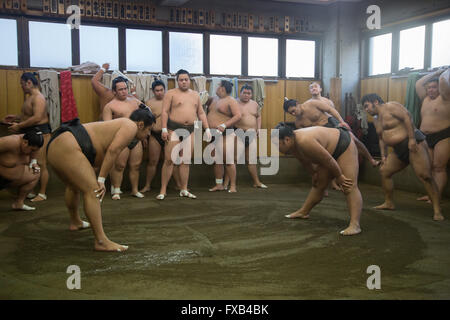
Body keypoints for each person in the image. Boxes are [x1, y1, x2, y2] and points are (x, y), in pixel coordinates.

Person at [46, 109, 155, 252]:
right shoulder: (130, 126)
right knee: (93, 190)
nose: (148, 134)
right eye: (149, 130)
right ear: (141, 124)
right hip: (69, 144)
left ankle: (75, 222)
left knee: (73, 185)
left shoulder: (121, 125)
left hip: (59, 143)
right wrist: (101, 180)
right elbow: (113, 151)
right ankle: (101, 241)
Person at [362, 93, 444, 221]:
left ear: (375, 102)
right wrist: (383, 155)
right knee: (385, 171)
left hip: (413, 144)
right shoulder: (376, 119)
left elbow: (407, 118)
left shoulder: (392, 106)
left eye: (367, 106)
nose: (366, 110)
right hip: (399, 149)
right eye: (365, 108)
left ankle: (437, 210)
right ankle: (389, 203)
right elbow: (381, 138)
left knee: (425, 176)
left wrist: (411, 139)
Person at [275, 123, 362, 236]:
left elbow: (329, 160)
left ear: (286, 140)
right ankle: (304, 212)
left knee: (348, 185)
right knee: (319, 183)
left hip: (343, 144)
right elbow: (304, 161)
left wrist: (339, 176)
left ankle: (355, 225)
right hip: (328, 151)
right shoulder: (292, 146)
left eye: (277, 144)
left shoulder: (304, 141)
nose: (277, 148)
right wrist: (313, 174)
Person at [157, 69, 211, 200]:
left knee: (185, 161)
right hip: (173, 128)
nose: (184, 82)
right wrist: (164, 129)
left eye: (186, 79)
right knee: (169, 160)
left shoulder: (195, 95)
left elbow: (201, 113)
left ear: (189, 80)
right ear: (177, 81)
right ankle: (163, 190)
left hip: (191, 129)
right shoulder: (171, 93)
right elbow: (164, 112)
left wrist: (207, 129)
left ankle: (184, 189)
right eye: (181, 80)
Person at [2, 72, 51, 203]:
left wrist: (19, 126)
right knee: (29, 162)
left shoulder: (38, 98)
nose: (21, 87)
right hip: (29, 132)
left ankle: (43, 192)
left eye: (22, 84)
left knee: (41, 163)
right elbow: (28, 114)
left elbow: (37, 117)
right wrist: (16, 117)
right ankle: (30, 190)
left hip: (41, 133)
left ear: (29, 82)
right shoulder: (30, 97)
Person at [102, 77, 143, 200]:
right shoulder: (109, 106)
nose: (124, 91)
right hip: (121, 138)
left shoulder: (134, 102)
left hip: (136, 137)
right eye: (120, 89)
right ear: (114, 91)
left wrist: (144, 136)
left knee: (136, 165)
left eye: (125, 88)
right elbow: (107, 126)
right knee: (119, 165)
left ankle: (135, 190)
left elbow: (145, 115)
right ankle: (116, 189)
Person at [415, 67, 450, 202]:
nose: (430, 90)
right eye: (429, 88)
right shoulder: (424, 99)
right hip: (425, 137)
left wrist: (445, 71)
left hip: (443, 135)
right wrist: (435, 72)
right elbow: (418, 84)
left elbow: (443, 81)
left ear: (439, 89)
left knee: (439, 167)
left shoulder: (445, 97)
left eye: (434, 87)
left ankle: (437, 196)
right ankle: (431, 194)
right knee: (428, 168)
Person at [207, 80, 242, 193]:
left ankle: (233, 186)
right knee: (217, 161)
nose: (216, 88)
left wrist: (224, 124)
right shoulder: (214, 99)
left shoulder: (231, 100)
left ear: (222, 88)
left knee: (229, 160)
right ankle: (219, 185)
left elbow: (238, 116)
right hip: (213, 133)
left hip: (226, 133)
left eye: (218, 85)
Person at [0, 131, 43, 211]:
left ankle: (19, 203)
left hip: (10, 180)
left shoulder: (33, 145)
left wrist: (33, 162)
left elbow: (35, 151)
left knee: (36, 174)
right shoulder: (10, 142)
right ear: (25, 142)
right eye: (32, 150)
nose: (32, 152)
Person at [234, 84, 267, 189]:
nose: (246, 95)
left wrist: (259, 129)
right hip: (237, 133)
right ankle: (230, 184)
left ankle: (256, 182)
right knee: (233, 159)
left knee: (251, 159)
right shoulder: (234, 103)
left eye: (249, 93)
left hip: (251, 134)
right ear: (240, 93)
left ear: (251, 94)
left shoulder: (255, 104)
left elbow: (258, 117)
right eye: (244, 92)